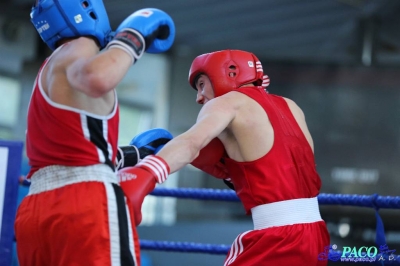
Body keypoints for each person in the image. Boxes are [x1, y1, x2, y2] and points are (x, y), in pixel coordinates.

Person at [117, 49, 331, 265]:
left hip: (278, 238)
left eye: (201, 84)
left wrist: (147, 173)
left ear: (229, 72)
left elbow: (190, 143)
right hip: (317, 236)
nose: (199, 97)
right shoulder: (291, 106)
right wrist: (231, 174)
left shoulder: (227, 103)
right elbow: (280, 172)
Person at [14, 0, 175, 265]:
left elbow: (66, 156)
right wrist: (134, 33)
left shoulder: (50, 70)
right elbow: (97, 78)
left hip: (35, 210)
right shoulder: (82, 47)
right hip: (83, 204)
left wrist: (134, 154)